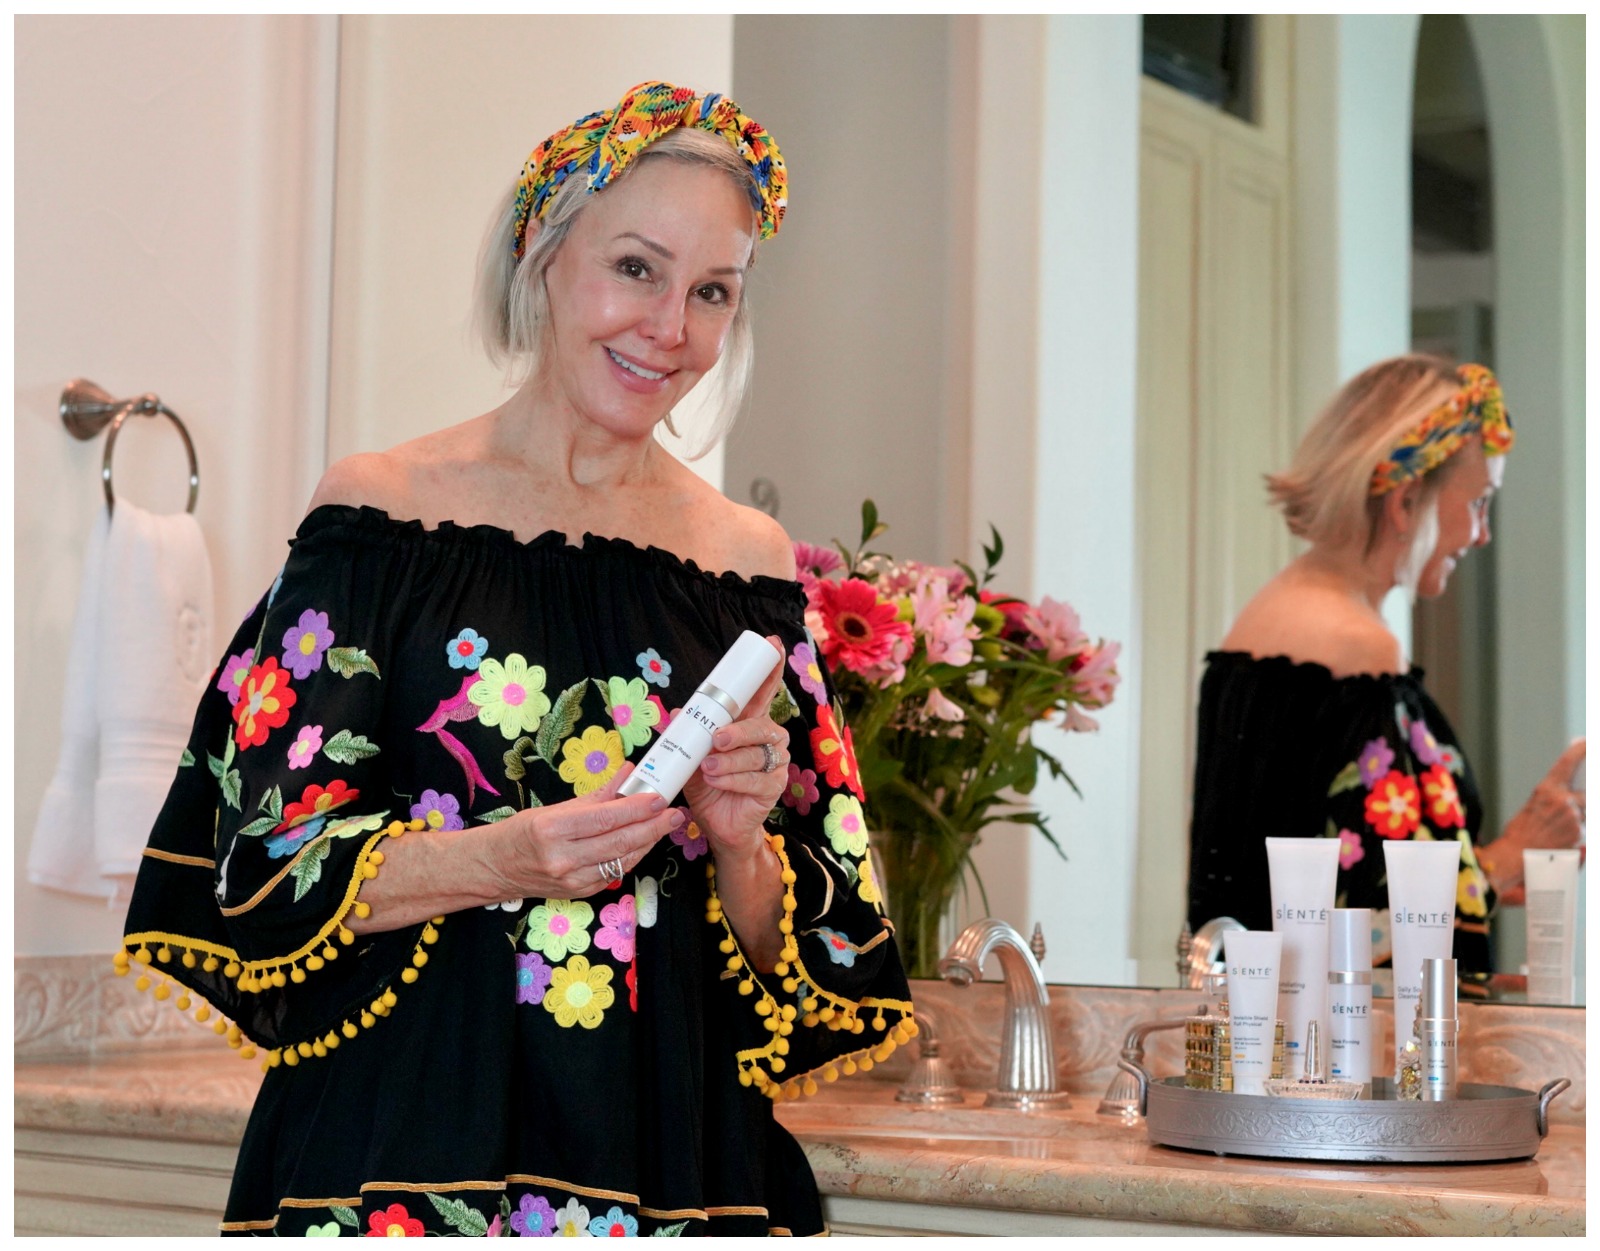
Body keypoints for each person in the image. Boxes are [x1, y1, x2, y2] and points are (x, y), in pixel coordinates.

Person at [119, 81, 913, 1238]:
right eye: (635, 268)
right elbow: (261, 866)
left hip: (671, 1152)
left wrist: (742, 844)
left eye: (711, 293)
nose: (670, 328)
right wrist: (499, 860)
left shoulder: (744, 569)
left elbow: (821, 946)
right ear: (542, 252)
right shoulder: (383, 517)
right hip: (399, 1138)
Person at [1186, 355, 1585, 976]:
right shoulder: (1356, 648)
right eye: (1479, 503)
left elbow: (1330, 880)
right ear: (1404, 502)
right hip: (1327, 1054)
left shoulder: (1271, 622)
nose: (1482, 535)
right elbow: (1379, 919)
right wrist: (1512, 853)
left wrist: (1475, 880)